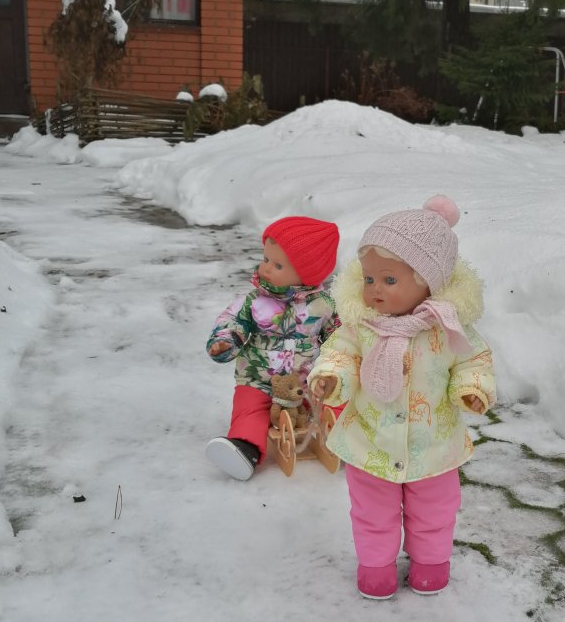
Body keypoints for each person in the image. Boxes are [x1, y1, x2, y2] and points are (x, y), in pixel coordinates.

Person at [308, 195, 495, 599]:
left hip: (434, 447)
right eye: (370, 279)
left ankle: (431, 561)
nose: (374, 290)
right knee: (372, 513)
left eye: (389, 281)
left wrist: (472, 389)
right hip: (370, 443)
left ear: (430, 281)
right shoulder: (361, 324)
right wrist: (330, 376)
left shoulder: (447, 328)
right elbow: (339, 352)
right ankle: (376, 566)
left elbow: (473, 360)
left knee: (435, 512)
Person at [205, 215, 340, 480]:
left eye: (277, 264)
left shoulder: (324, 305)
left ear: (307, 274)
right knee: (249, 407)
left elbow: (338, 336)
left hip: (308, 381)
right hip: (258, 379)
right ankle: (245, 448)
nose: (265, 268)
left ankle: (348, 442)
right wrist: (227, 340)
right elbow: (232, 320)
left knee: (335, 402)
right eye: (266, 259)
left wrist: (339, 363)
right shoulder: (254, 301)